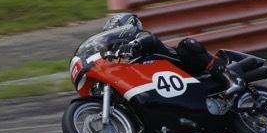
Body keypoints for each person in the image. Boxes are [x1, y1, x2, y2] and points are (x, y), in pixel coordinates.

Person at [102, 13, 245, 97]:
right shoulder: (122, 58)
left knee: (185, 44)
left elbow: (148, 38)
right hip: (164, 89)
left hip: (184, 70)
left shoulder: (141, 38)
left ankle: (232, 79)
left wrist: (135, 44)